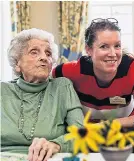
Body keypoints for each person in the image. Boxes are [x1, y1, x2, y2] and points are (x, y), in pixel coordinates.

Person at [1, 28, 84, 161]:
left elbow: (81, 133)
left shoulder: (62, 87)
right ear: (17, 63)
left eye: (48, 53)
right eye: (34, 52)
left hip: (49, 158)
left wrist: (56, 145)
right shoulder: (2, 91)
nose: (44, 58)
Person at [52, 18, 134, 129]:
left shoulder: (133, 69)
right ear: (89, 50)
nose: (113, 54)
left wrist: (103, 126)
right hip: (84, 135)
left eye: (117, 46)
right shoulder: (74, 70)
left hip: (124, 133)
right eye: (104, 46)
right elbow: (44, 77)